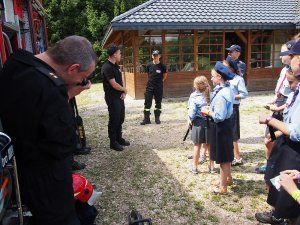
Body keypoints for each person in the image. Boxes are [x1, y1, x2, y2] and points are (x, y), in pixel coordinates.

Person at [0, 36, 97, 225]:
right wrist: (68, 95)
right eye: (83, 76)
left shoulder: (16, 62)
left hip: (21, 170)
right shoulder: (53, 91)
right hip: (46, 181)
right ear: (73, 68)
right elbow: (63, 145)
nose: (83, 81)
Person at [255, 40, 300, 224]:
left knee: (289, 194)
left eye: (294, 58)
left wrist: (269, 120)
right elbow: (291, 121)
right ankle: (278, 214)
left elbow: (296, 131)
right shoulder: (296, 91)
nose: (291, 61)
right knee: (276, 180)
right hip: (286, 144)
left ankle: (282, 216)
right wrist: (274, 135)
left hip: (294, 150)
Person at [257, 41, 295, 174]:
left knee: (279, 140)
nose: (280, 57)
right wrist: (274, 100)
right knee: (268, 138)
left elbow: (292, 98)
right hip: (279, 102)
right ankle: (269, 166)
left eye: (283, 54)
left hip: (285, 107)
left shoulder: (296, 75)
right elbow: (281, 90)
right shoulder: (284, 70)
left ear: (292, 55)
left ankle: (277, 168)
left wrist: (279, 108)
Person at [201, 62, 234, 194]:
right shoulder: (227, 89)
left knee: (223, 159)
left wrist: (208, 111)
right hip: (225, 126)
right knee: (226, 154)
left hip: (221, 127)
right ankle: (227, 179)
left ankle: (223, 187)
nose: (211, 79)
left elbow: (219, 116)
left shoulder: (221, 94)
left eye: (213, 76)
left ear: (219, 77)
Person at [101, 45, 130, 151]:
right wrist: (125, 89)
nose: (120, 55)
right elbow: (113, 84)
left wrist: (123, 92)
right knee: (114, 119)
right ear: (114, 54)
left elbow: (119, 82)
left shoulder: (115, 66)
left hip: (119, 97)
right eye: (119, 53)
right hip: (112, 98)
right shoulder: (107, 67)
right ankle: (113, 142)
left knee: (121, 118)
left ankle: (119, 138)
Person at [224, 56, 248, 167]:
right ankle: (230, 155)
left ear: (232, 68)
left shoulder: (238, 79)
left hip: (233, 108)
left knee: (233, 134)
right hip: (224, 107)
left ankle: (238, 157)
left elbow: (244, 94)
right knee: (226, 133)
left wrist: (232, 97)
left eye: (226, 66)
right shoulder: (224, 78)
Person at [187, 76, 213, 174]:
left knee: (197, 145)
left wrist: (189, 119)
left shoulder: (194, 96)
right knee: (209, 145)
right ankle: (211, 167)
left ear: (195, 86)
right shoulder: (212, 94)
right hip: (210, 122)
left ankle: (195, 167)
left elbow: (191, 113)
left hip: (198, 123)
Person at [140, 50, 167, 125]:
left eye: (156, 55)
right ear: (152, 56)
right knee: (147, 103)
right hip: (150, 87)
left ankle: (157, 118)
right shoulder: (149, 65)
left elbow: (164, 76)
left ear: (159, 56)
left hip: (158, 87)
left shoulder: (162, 66)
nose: (155, 57)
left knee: (158, 103)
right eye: (154, 55)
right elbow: (148, 75)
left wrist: (160, 82)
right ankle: (146, 119)